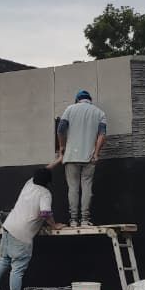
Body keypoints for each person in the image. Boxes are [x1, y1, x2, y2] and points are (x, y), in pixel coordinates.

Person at [0, 167, 58, 290]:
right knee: (17, 269)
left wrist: (57, 160)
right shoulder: (45, 193)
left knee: (4, 261)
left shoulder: (29, 184)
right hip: (22, 234)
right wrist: (54, 225)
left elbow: (43, 170)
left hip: (8, 227)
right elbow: (45, 213)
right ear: (49, 182)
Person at [54, 89, 107, 227]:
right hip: (89, 157)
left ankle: (73, 219)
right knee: (87, 187)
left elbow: (60, 129)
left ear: (77, 99)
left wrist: (62, 147)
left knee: (73, 188)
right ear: (90, 100)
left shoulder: (70, 109)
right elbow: (102, 135)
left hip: (71, 156)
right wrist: (96, 153)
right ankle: (84, 219)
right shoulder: (99, 113)